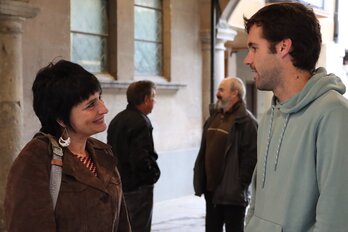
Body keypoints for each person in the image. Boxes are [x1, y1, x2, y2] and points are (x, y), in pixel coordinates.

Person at [243, 2, 348, 231]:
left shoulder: (334, 114)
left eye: (254, 48)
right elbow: (257, 203)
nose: (247, 59)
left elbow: (336, 220)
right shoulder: (269, 117)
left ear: (283, 47)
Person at [4, 60, 131, 231]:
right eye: (91, 104)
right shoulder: (35, 160)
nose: (103, 109)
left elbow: (122, 222)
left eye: (100, 98)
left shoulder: (103, 153)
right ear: (61, 119)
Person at [193, 77, 257, 232]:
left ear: (235, 93)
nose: (217, 94)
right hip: (212, 192)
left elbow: (252, 157)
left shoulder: (246, 122)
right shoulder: (214, 118)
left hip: (232, 194)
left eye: (221, 90)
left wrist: (239, 184)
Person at [107, 80, 160, 232]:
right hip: (138, 188)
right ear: (145, 99)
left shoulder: (117, 119)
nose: (154, 101)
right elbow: (141, 157)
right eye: (153, 97)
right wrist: (152, 175)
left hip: (120, 183)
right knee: (139, 226)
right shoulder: (141, 122)